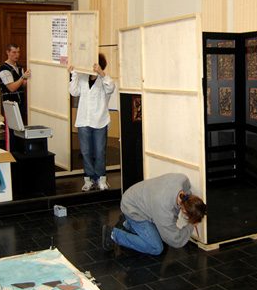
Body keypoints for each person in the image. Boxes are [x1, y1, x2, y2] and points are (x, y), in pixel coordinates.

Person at [102, 173, 207, 255]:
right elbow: (175, 240)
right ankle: (113, 234)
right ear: (184, 211)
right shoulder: (164, 209)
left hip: (136, 195)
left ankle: (127, 224)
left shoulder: (183, 181)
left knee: (159, 233)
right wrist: (190, 226)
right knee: (156, 247)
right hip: (132, 208)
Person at [68, 53, 115, 192]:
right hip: (84, 120)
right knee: (86, 152)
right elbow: (73, 92)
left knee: (100, 152)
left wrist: (102, 73)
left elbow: (111, 88)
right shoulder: (82, 78)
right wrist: (74, 73)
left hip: (100, 120)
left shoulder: (104, 79)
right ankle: (88, 179)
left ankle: (101, 179)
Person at [0, 43, 31, 150]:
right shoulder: (3, 69)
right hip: (10, 106)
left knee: (20, 131)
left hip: (20, 104)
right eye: (14, 52)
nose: (17, 55)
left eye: (18, 52)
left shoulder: (19, 67)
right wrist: (22, 78)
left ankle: (18, 156)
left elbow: (22, 85)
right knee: (11, 132)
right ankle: (10, 156)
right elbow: (12, 87)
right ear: (8, 53)